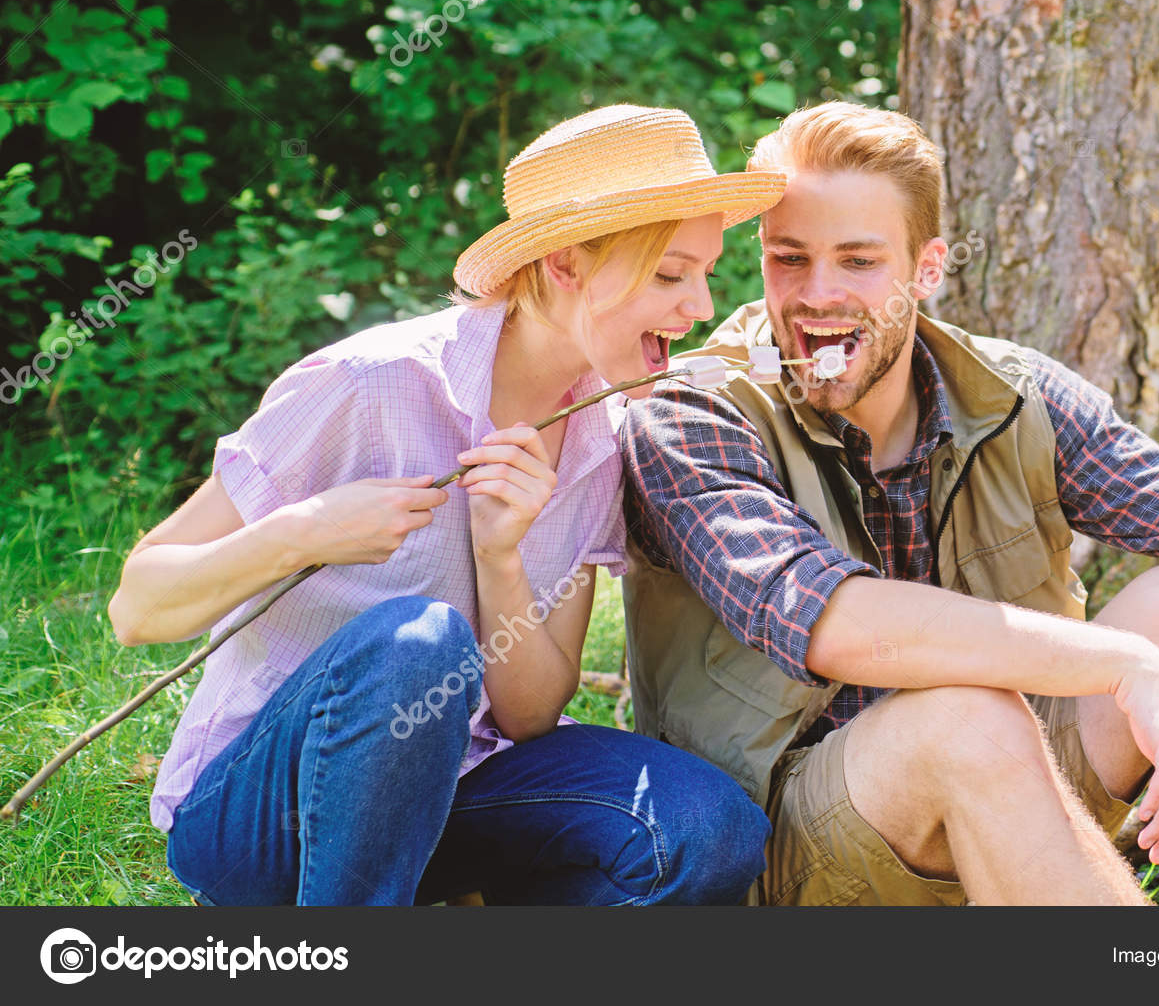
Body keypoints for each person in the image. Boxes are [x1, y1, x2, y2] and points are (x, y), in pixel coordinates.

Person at [619, 101, 1159, 905]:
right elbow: (833, 621)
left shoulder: (1011, 393)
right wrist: (1121, 662)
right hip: (793, 845)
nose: (817, 294)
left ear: (927, 269)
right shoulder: (689, 412)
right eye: (789, 258)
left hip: (1024, 789)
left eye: (859, 261)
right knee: (967, 717)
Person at [109, 104, 786, 905]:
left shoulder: (602, 437)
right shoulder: (367, 382)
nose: (700, 305)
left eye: (706, 273)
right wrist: (306, 531)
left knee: (709, 830)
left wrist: (501, 556)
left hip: (455, 796)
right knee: (420, 643)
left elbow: (530, 718)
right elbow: (138, 605)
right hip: (263, 819)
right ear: (565, 264)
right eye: (671, 275)